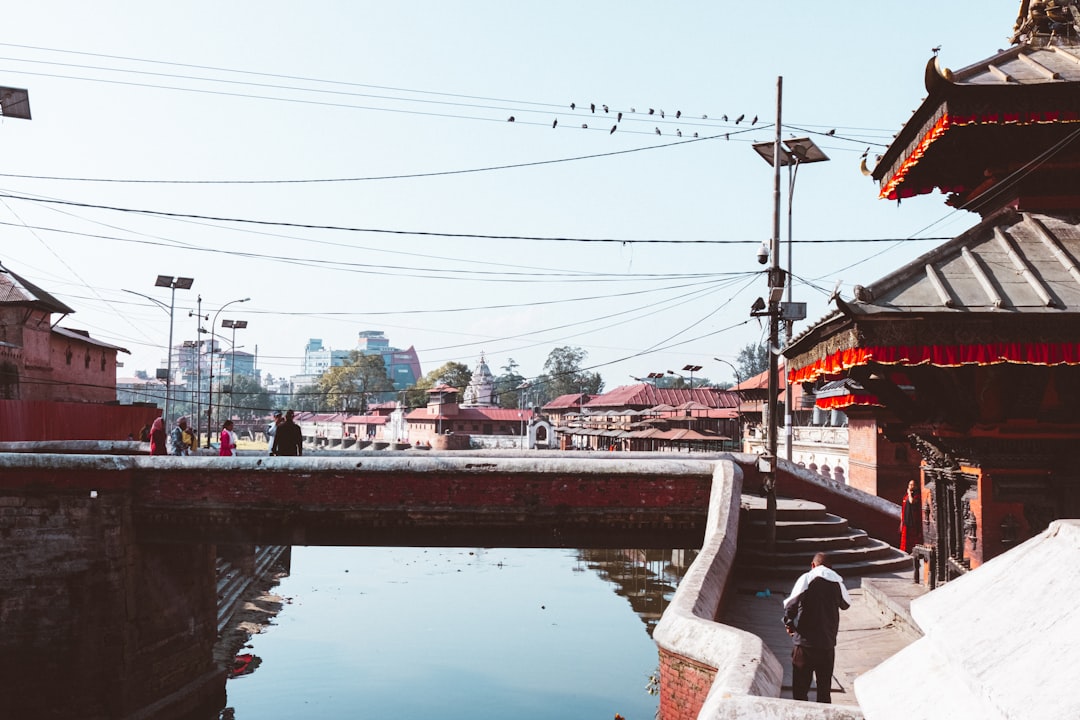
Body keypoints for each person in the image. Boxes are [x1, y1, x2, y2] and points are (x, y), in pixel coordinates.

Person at [782, 552, 851, 704]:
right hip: (827, 646)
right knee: (824, 692)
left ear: (813, 565)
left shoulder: (807, 578)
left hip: (804, 645)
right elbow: (846, 604)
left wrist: (789, 624)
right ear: (830, 567)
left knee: (800, 692)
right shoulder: (837, 581)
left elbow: (790, 604)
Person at [899, 479, 923, 552]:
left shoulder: (917, 495)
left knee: (913, 539)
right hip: (906, 521)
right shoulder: (905, 496)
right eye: (910, 484)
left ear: (916, 486)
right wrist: (901, 521)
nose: (911, 486)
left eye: (913, 485)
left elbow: (912, 501)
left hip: (914, 521)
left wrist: (909, 493)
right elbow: (903, 509)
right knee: (905, 539)